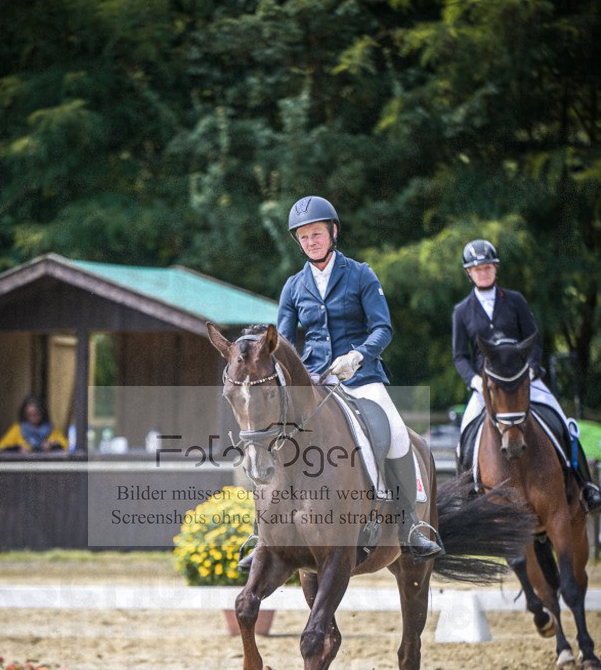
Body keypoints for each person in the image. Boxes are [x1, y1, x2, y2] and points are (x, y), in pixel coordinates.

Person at [239, 195, 443, 570]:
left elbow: (383, 328)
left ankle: (411, 524)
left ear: (332, 232)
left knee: (397, 433)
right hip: (314, 380)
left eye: (316, 233)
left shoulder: (361, 274)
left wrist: (359, 355)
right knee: (274, 437)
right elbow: (282, 346)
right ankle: (263, 532)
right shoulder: (293, 287)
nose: (311, 241)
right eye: (303, 237)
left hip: (360, 376)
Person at [453, 238, 601, 514]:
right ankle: (468, 496)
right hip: (488, 386)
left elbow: (534, 338)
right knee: (465, 435)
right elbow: (460, 355)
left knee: (562, 421)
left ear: (495, 269)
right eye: (478, 268)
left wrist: (532, 369)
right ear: (469, 273)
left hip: (524, 380)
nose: (483, 272)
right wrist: (475, 381)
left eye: (488, 267)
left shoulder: (515, 300)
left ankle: (585, 485)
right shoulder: (462, 311)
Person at [0, 395, 68, 452]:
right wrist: (18, 449)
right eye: (29, 414)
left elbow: (67, 447)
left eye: (36, 414)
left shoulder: (51, 429)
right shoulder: (18, 429)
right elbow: (1, 448)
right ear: (24, 414)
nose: (33, 417)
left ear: (42, 413)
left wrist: (52, 447)